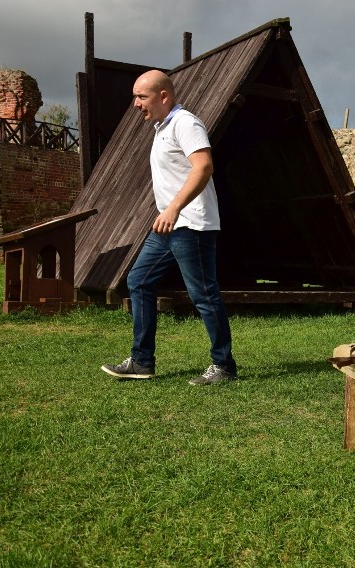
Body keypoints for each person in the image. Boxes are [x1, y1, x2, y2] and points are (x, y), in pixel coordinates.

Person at [101, 70, 237, 386]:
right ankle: (142, 361)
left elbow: (203, 167)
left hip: (192, 224)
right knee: (139, 280)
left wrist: (174, 208)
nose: (136, 104)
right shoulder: (161, 128)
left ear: (164, 96)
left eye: (142, 97)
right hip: (168, 226)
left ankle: (224, 365)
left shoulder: (186, 123)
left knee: (203, 294)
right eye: (135, 97)